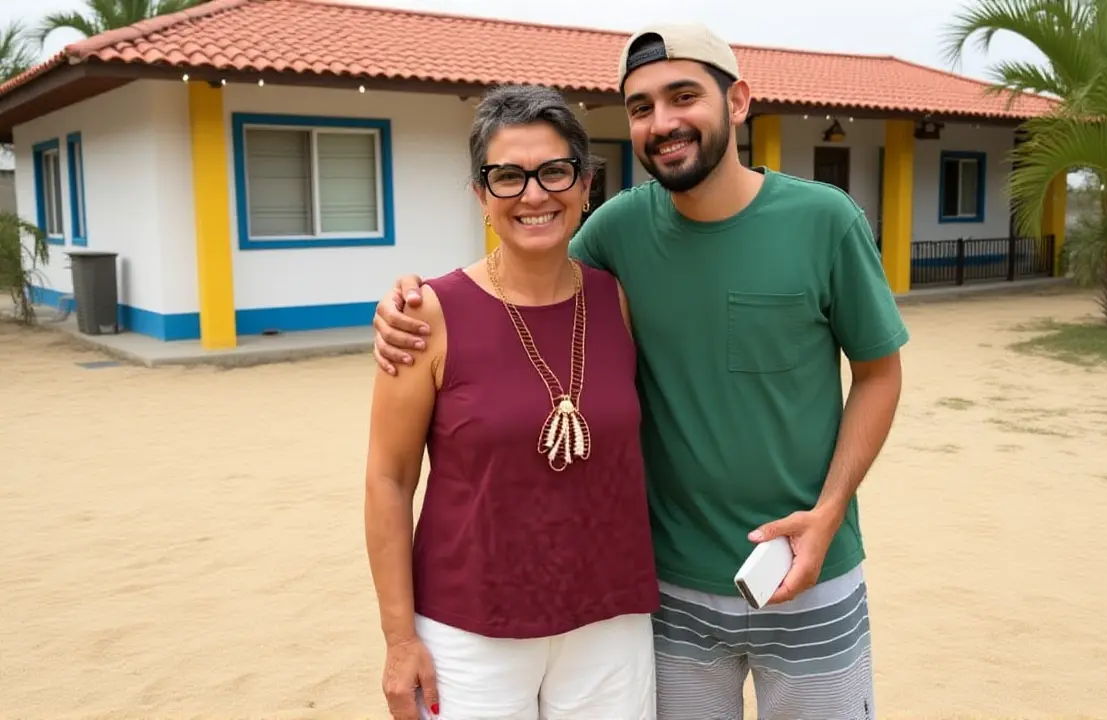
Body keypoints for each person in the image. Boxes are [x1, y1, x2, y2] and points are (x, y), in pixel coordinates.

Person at [371, 22, 907, 720]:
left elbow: (879, 373)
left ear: (737, 101)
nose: (663, 122)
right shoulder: (617, 233)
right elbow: (525, 269)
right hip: (670, 590)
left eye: (684, 96)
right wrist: (408, 299)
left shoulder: (824, 220)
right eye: (641, 107)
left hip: (805, 569)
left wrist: (831, 512)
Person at [363, 83, 659, 720]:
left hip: (610, 621)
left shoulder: (617, 299)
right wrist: (398, 639)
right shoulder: (427, 315)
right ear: (480, 194)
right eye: (507, 176)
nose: (534, 195)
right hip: (471, 629)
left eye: (555, 171)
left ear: (585, 184)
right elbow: (389, 478)